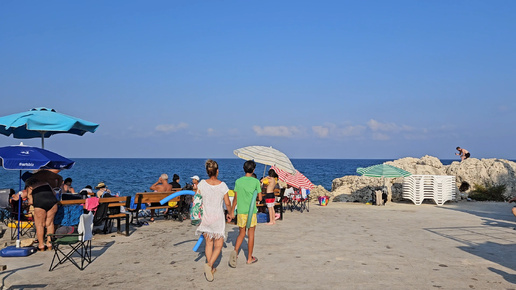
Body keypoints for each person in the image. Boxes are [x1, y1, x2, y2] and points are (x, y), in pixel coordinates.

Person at [195, 160, 232, 282]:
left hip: (206, 218)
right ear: (217, 171)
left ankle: (210, 268)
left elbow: (197, 199)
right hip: (217, 219)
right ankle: (209, 265)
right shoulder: (223, 186)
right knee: (219, 245)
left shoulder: (201, 184)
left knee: (209, 244)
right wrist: (231, 213)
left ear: (207, 171)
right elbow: (227, 203)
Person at [229, 160, 262, 267]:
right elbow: (260, 198)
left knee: (241, 233)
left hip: (241, 212)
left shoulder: (238, 181)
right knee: (251, 235)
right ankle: (249, 258)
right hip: (251, 212)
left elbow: (235, 199)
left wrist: (232, 211)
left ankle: (235, 251)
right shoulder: (256, 181)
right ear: (253, 170)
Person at [25, 175, 59, 251]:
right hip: (52, 202)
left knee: (39, 225)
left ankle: (41, 245)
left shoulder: (30, 187)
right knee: (50, 223)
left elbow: (30, 201)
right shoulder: (46, 183)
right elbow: (54, 193)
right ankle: (49, 243)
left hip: (40, 203)